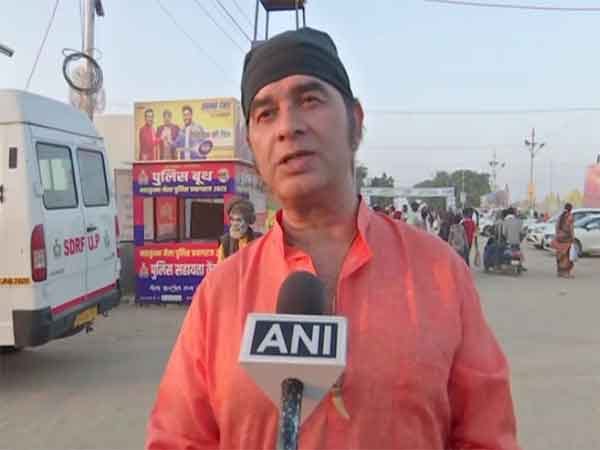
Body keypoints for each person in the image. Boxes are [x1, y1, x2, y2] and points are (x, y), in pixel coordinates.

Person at [146, 27, 520, 450]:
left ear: (355, 123)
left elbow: (486, 436)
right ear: (251, 145)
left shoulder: (439, 272)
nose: (288, 127)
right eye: (266, 114)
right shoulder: (220, 292)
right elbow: (178, 438)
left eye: (310, 100)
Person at [217, 198, 262, 262]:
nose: (234, 224)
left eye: (238, 220)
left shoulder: (259, 240)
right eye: (232, 219)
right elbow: (221, 266)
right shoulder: (225, 242)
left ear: (248, 221)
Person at [551, 203, 576, 278]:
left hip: (559, 238)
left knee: (559, 254)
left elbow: (556, 227)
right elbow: (571, 228)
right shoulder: (570, 216)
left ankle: (559, 272)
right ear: (571, 209)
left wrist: (557, 235)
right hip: (566, 239)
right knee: (567, 256)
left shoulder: (560, 216)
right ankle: (566, 273)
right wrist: (573, 237)